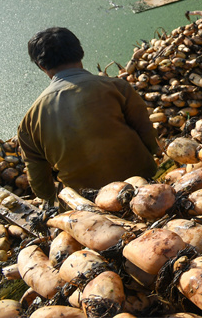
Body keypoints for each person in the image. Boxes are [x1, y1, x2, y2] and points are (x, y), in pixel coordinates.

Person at [18, 27, 160, 203]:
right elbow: (147, 134)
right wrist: (154, 157)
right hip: (143, 186)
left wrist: (50, 198)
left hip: (89, 202)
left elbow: (39, 182)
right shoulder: (116, 87)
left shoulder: (29, 120)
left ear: (41, 66)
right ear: (81, 53)